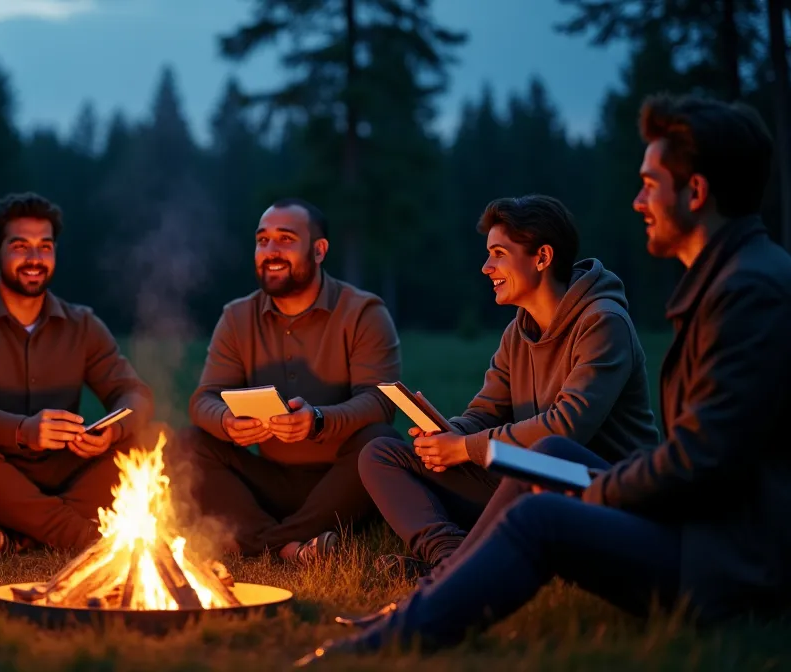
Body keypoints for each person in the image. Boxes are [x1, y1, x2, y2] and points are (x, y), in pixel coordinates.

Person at [297, 94, 791, 664]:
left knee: (542, 491)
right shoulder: (733, 282)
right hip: (700, 529)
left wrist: (587, 488)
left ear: (697, 192)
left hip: (725, 559)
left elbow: (698, 458)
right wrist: (446, 434)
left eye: (650, 184)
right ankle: (442, 578)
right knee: (528, 459)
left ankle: (377, 645)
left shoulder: (741, 295)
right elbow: (494, 414)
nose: (637, 202)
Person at [358, 195, 658, 578]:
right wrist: (444, 436)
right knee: (381, 453)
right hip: (526, 475)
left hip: (597, 487)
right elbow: (485, 411)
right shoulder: (518, 331)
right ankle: (448, 557)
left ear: (542, 257)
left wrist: (464, 448)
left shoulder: (603, 323)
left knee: (534, 459)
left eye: (498, 253)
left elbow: (565, 429)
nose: (486, 267)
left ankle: (452, 571)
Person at [0, 191, 155, 554]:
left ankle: (20, 534)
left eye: (45, 247)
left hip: (66, 468)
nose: (35, 259)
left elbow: (133, 394)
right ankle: (80, 536)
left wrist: (112, 429)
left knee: (147, 436)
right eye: (20, 246)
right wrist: (21, 430)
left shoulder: (82, 324)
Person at [175, 198, 401, 562]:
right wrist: (227, 423)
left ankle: (260, 541)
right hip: (269, 478)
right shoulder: (237, 317)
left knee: (382, 441)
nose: (270, 251)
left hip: (340, 480)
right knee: (187, 443)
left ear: (319, 249)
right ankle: (291, 547)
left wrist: (320, 420)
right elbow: (203, 399)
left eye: (285, 239)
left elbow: (381, 403)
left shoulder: (363, 312)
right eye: (262, 240)